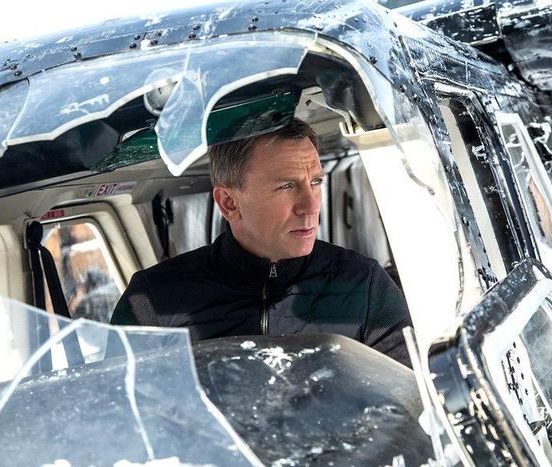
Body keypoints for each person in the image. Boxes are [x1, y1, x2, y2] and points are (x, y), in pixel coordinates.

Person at [110, 118, 413, 366]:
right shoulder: (151, 302)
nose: (310, 206)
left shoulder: (365, 286)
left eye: (316, 182)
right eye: (286, 186)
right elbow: (118, 412)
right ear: (229, 203)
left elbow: (409, 404)